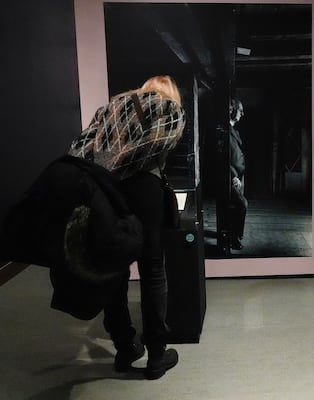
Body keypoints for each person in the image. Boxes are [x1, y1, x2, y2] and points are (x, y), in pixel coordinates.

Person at [68, 75, 186, 379]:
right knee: (152, 271)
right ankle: (157, 355)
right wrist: (129, 163)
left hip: (108, 190)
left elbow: (81, 146)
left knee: (114, 269)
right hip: (145, 189)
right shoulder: (170, 109)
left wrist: (105, 171)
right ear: (170, 93)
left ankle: (125, 347)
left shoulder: (112, 107)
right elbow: (159, 146)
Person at [229, 98, 248, 250]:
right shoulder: (224, 131)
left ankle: (236, 235)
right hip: (232, 178)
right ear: (232, 110)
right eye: (240, 110)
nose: (242, 113)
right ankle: (233, 238)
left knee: (237, 207)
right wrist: (233, 176)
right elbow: (222, 158)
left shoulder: (234, 130)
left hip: (239, 177)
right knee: (241, 205)